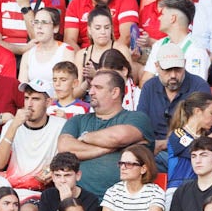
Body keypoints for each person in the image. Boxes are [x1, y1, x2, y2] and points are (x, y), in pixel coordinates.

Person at [57, 71, 153, 200]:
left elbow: (118, 137)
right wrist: (108, 148)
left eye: (98, 87)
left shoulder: (136, 118)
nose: (91, 92)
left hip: (124, 201)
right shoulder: (78, 120)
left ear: (115, 92)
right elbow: (64, 147)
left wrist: (85, 137)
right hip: (78, 200)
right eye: (91, 87)